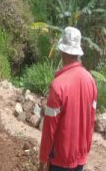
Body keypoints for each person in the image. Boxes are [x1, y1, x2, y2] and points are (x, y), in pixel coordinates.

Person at [39, 27, 97, 171]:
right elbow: (91, 122)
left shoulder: (58, 85)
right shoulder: (90, 80)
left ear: (62, 51)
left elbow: (49, 128)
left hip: (60, 160)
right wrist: (85, 150)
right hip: (80, 157)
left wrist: (42, 159)